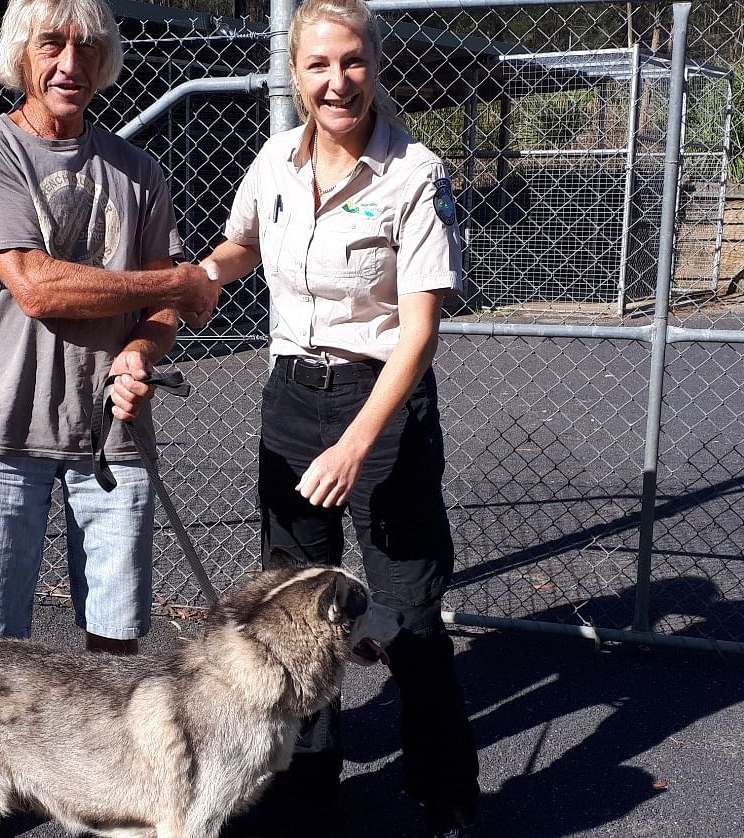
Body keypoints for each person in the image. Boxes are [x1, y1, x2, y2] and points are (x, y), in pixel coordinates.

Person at [199, 0, 479, 834]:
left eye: (352, 62)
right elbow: (240, 246)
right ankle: (306, 773)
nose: (337, 81)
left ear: (376, 66)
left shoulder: (414, 173)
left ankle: (444, 791)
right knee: (290, 603)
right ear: (294, 73)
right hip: (290, 396)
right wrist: (196, 283)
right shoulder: (275, 162)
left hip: (381, 404)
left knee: (408, 611)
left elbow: (420, 329)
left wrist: (360, 442)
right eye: (319, 65)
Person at [0, 0, 219, 655]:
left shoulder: (140, 171)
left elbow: (162, 316)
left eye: (87, 47)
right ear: (20, 53)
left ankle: (98, 764)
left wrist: (141, 353)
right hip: (5, 429)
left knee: (116, 649)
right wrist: (177, 280)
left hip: (113, 438)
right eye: (51, 46)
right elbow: (36, 287)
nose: (71, 64)